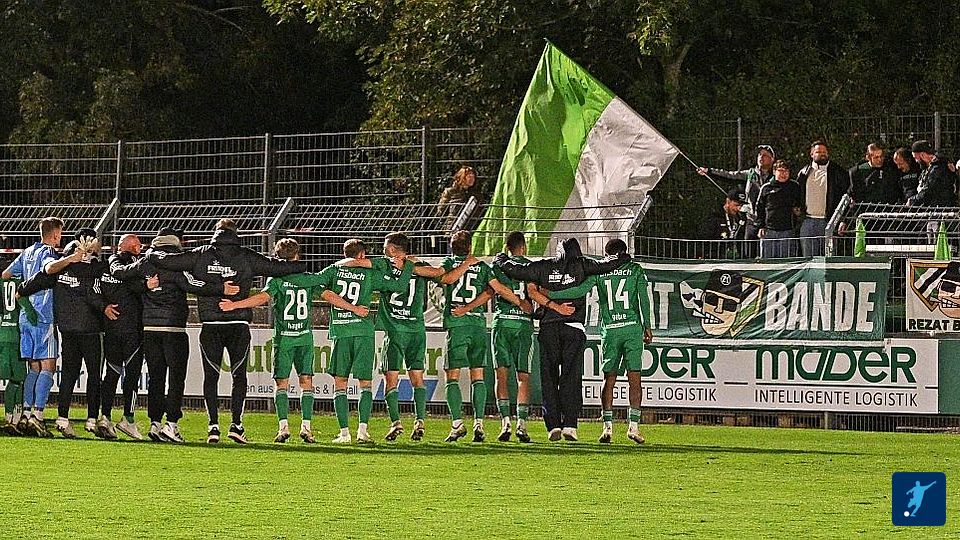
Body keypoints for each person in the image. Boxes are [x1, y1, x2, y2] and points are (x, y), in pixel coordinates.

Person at [146, 219, 306, 444]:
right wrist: (301, 267)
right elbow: (277, 268)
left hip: (210, 325)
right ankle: (236, 425)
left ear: (216, 233)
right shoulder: (246, 256)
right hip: (238, 325)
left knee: (211, 377)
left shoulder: (201, 254)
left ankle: (213, 427)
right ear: (235, 233)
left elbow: (168, 261)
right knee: (239, 376)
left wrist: (151, 253)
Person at [218, 238, 364, 444]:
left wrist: (235, 305)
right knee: (307, 382)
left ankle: (283, 427)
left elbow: (262, 298)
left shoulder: (276, 280)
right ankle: (306, 427)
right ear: (297, 256)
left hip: (284, 339)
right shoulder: (307, 278)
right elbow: (329, 295)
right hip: (304, 337)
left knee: (282, 384)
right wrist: (354, 308)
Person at [494, 238, 629, 441]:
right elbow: (608, 265)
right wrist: (624, 257)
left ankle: (553, 426)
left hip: (548, 328)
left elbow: (517, 271)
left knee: (549, 378)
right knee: (571, 377)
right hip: (573, 328)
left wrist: (501, 258)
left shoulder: (544, 266)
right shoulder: (584, 265)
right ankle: (570, 425)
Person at [282, 239, 412, 443]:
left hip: (341, 331)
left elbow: (310, 281)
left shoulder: (334, 270)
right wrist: (408, 266)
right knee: (365, 383)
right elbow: (399, 286)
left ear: (345, 254)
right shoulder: (370, 273)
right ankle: (363, 431)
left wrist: (282, 270)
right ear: (362, 255)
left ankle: (344, 433)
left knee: (340, 383)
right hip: (363, 332)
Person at [114, 228, 235, 443]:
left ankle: (154, 422)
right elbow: (195, 285)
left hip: (150, 329)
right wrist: (221, 288)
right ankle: (171, 424)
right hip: (173, 329)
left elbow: (123, 274)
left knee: (156, 378)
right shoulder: (177, 265)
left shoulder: (145, 262)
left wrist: (140, 282)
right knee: (176, 378)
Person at [545, 239, 653, 444]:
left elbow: (579, 291)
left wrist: (551, 294)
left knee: (609, 379)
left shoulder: (600, 271)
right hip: (631, 328)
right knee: (635, 378)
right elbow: (643, 300)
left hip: (611, 331)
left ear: (607, 254)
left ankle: (607, 428)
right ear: (624, 252)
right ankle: (634, 427)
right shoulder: (635, 270)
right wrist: (647, 326)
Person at [436, 230, 526, 443]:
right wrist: (520, 302)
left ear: (452, 247)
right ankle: (479, 423)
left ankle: (457, 424)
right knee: (478, 376)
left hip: (457, 325)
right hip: (477, 325)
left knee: (452, 376)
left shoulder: (448, 263)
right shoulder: (483, 267)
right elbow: (494, 290)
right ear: (470, 247)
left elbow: (445, 279)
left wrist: (463, 309)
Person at [19, 231, 106, 439]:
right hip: (91, 329)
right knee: (94, 375)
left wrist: (23, 289)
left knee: (68, 374)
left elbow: (41, 278)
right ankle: (91, 419)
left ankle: (62, 418)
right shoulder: (96, 269)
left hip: (67, 330)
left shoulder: (62, 267)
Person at [3, 217, 82, 437]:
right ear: (55, 234)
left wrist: (20, 294)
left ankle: (26, 414)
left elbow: (6, 275)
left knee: (34, 368)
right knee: (48, 366)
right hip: (42, 316)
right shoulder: (48, 251)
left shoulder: (27, 252)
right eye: (60, 234)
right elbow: (49, 268)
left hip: (25, 317)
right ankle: (37, 416)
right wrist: (71, 258)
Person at [96, 233, 149, 440]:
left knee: (111, 373)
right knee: (132, 375)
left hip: (112, 329)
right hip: (132, 329)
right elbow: (133, 286)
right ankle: (128, 418)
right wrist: (146, 285)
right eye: (138, 245)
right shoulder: (134, 266)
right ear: (130, 247)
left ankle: (105, 416)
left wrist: (103, 306)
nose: (140, 248)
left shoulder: (105, 266)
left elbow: (95, 290)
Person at [697, 144, 776, 250]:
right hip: (752, 220)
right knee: (748, 250)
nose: (761, 157)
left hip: (769, 221)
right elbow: (730, 175)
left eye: (765, 155)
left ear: (772, 159)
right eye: (759, 155)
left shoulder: (777, 176)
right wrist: (709, 171)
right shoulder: (750, 174)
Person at [796, 141, 852, 256]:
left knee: (829, 259)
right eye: (818, 152)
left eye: (824, 152)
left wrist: (843, 219)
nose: (822, 154)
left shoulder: (838, 172)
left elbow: (846, 198)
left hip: (829, 222)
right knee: (809, 260)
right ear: (811, 154)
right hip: (808, 222)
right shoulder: (803, 173)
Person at [1, 266, 37, 434]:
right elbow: (22, 300)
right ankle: (13, 417)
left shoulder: (2, 281)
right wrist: (34, 317)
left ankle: (10, 418)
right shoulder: (22, 281)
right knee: (18, 379)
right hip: (16, 336)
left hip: (2, 335)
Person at [756, 160, 802, 258]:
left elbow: (800, 205)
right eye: (780, 171)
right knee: (767, 262)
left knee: (787, 261)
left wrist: (798, 213)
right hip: (769, 231)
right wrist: (761, 226)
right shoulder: (766, 188)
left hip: (788, 231)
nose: (783, 174)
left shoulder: (795, 187)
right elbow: (759, 208)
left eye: (786, 171)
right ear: (774, 172)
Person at [698, 187, 748, 258]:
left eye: (741, 205)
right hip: (713, 258)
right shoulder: (715, 216)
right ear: (728, 201)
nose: (739, 208)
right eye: (736, 205)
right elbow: (704, 237)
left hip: (733, 258)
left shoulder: (740, 218)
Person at [438, 165, 479, 230]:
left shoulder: (476, 194)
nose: (472, 179)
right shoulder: (450, 192)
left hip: (471, 228)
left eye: (473, 177)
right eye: (469, 176)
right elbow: (441, 211)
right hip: (453, 227)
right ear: (462, 177)